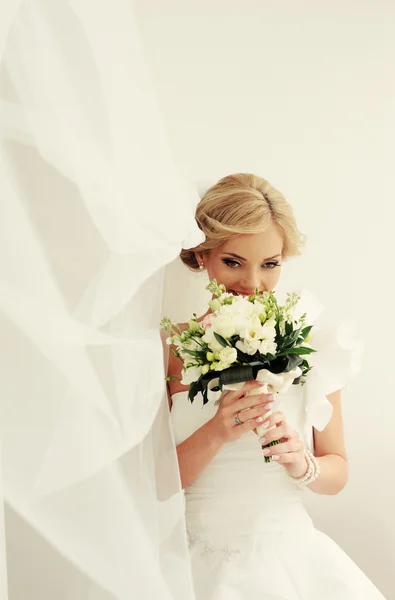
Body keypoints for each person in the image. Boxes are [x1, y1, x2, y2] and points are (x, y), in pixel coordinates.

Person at [166, 173, 387, 599]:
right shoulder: (171, 347)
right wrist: (215, 432)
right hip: (193, 567)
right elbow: (149, 481)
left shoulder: (313, 345)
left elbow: (336, 467)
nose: (252, 284)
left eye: (270, 264)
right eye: (233, 262)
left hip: (291, 562)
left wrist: (302, 463)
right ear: (202, 257)